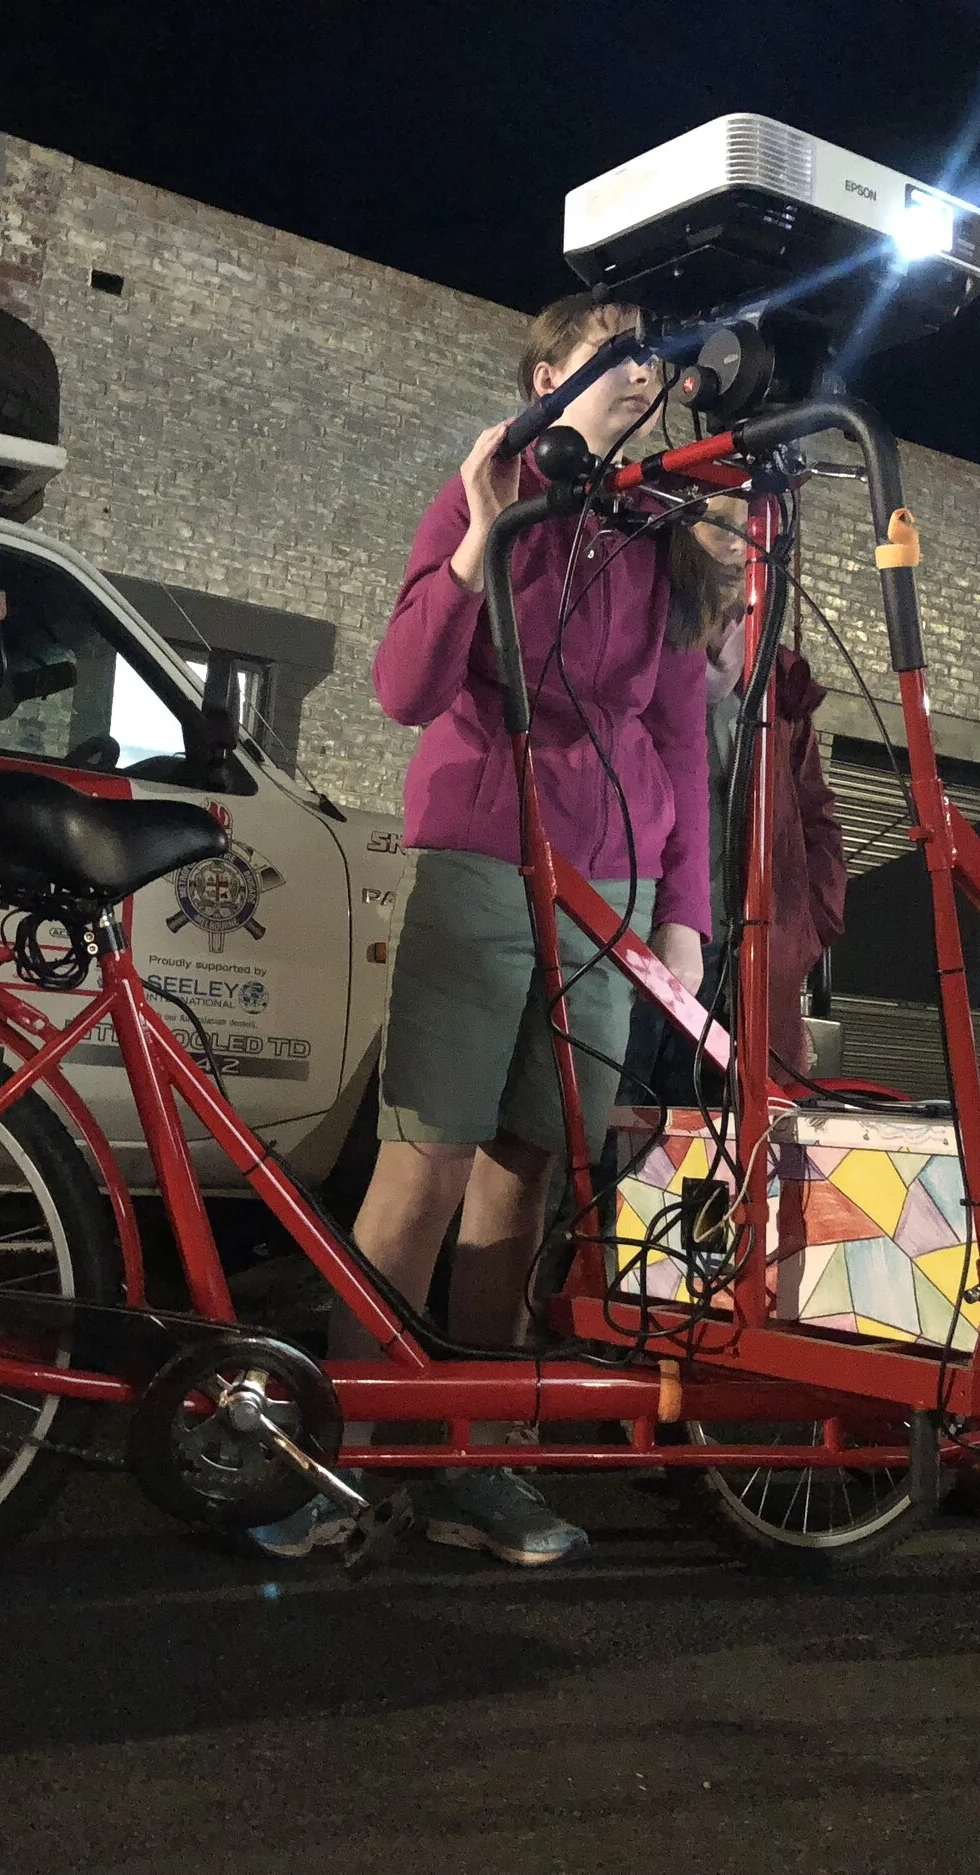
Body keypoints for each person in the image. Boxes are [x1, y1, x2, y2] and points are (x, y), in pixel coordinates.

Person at [249, 295, 711, 1568]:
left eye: (652, 356)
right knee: (426, 1159)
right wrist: (477, 533)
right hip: (482, 852)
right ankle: (340, 1455)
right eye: (609, 352)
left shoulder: (660, 532)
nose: (639, 373)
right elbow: (404, 689)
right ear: (545, 375)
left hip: (610, 884)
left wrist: (684, 915)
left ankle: (475, 1461)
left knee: (529, 1165)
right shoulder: (487, 501)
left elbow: (680, 738)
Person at [623, 495, 847, 1101]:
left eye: (750, 527)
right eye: (718, 523)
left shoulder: (776, 679)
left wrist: (804, 928)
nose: (736, 541)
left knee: (712, 1135)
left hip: (740, 954)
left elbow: (816, 818)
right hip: (637, 931)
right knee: (610, 1120)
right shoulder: (639, 645)